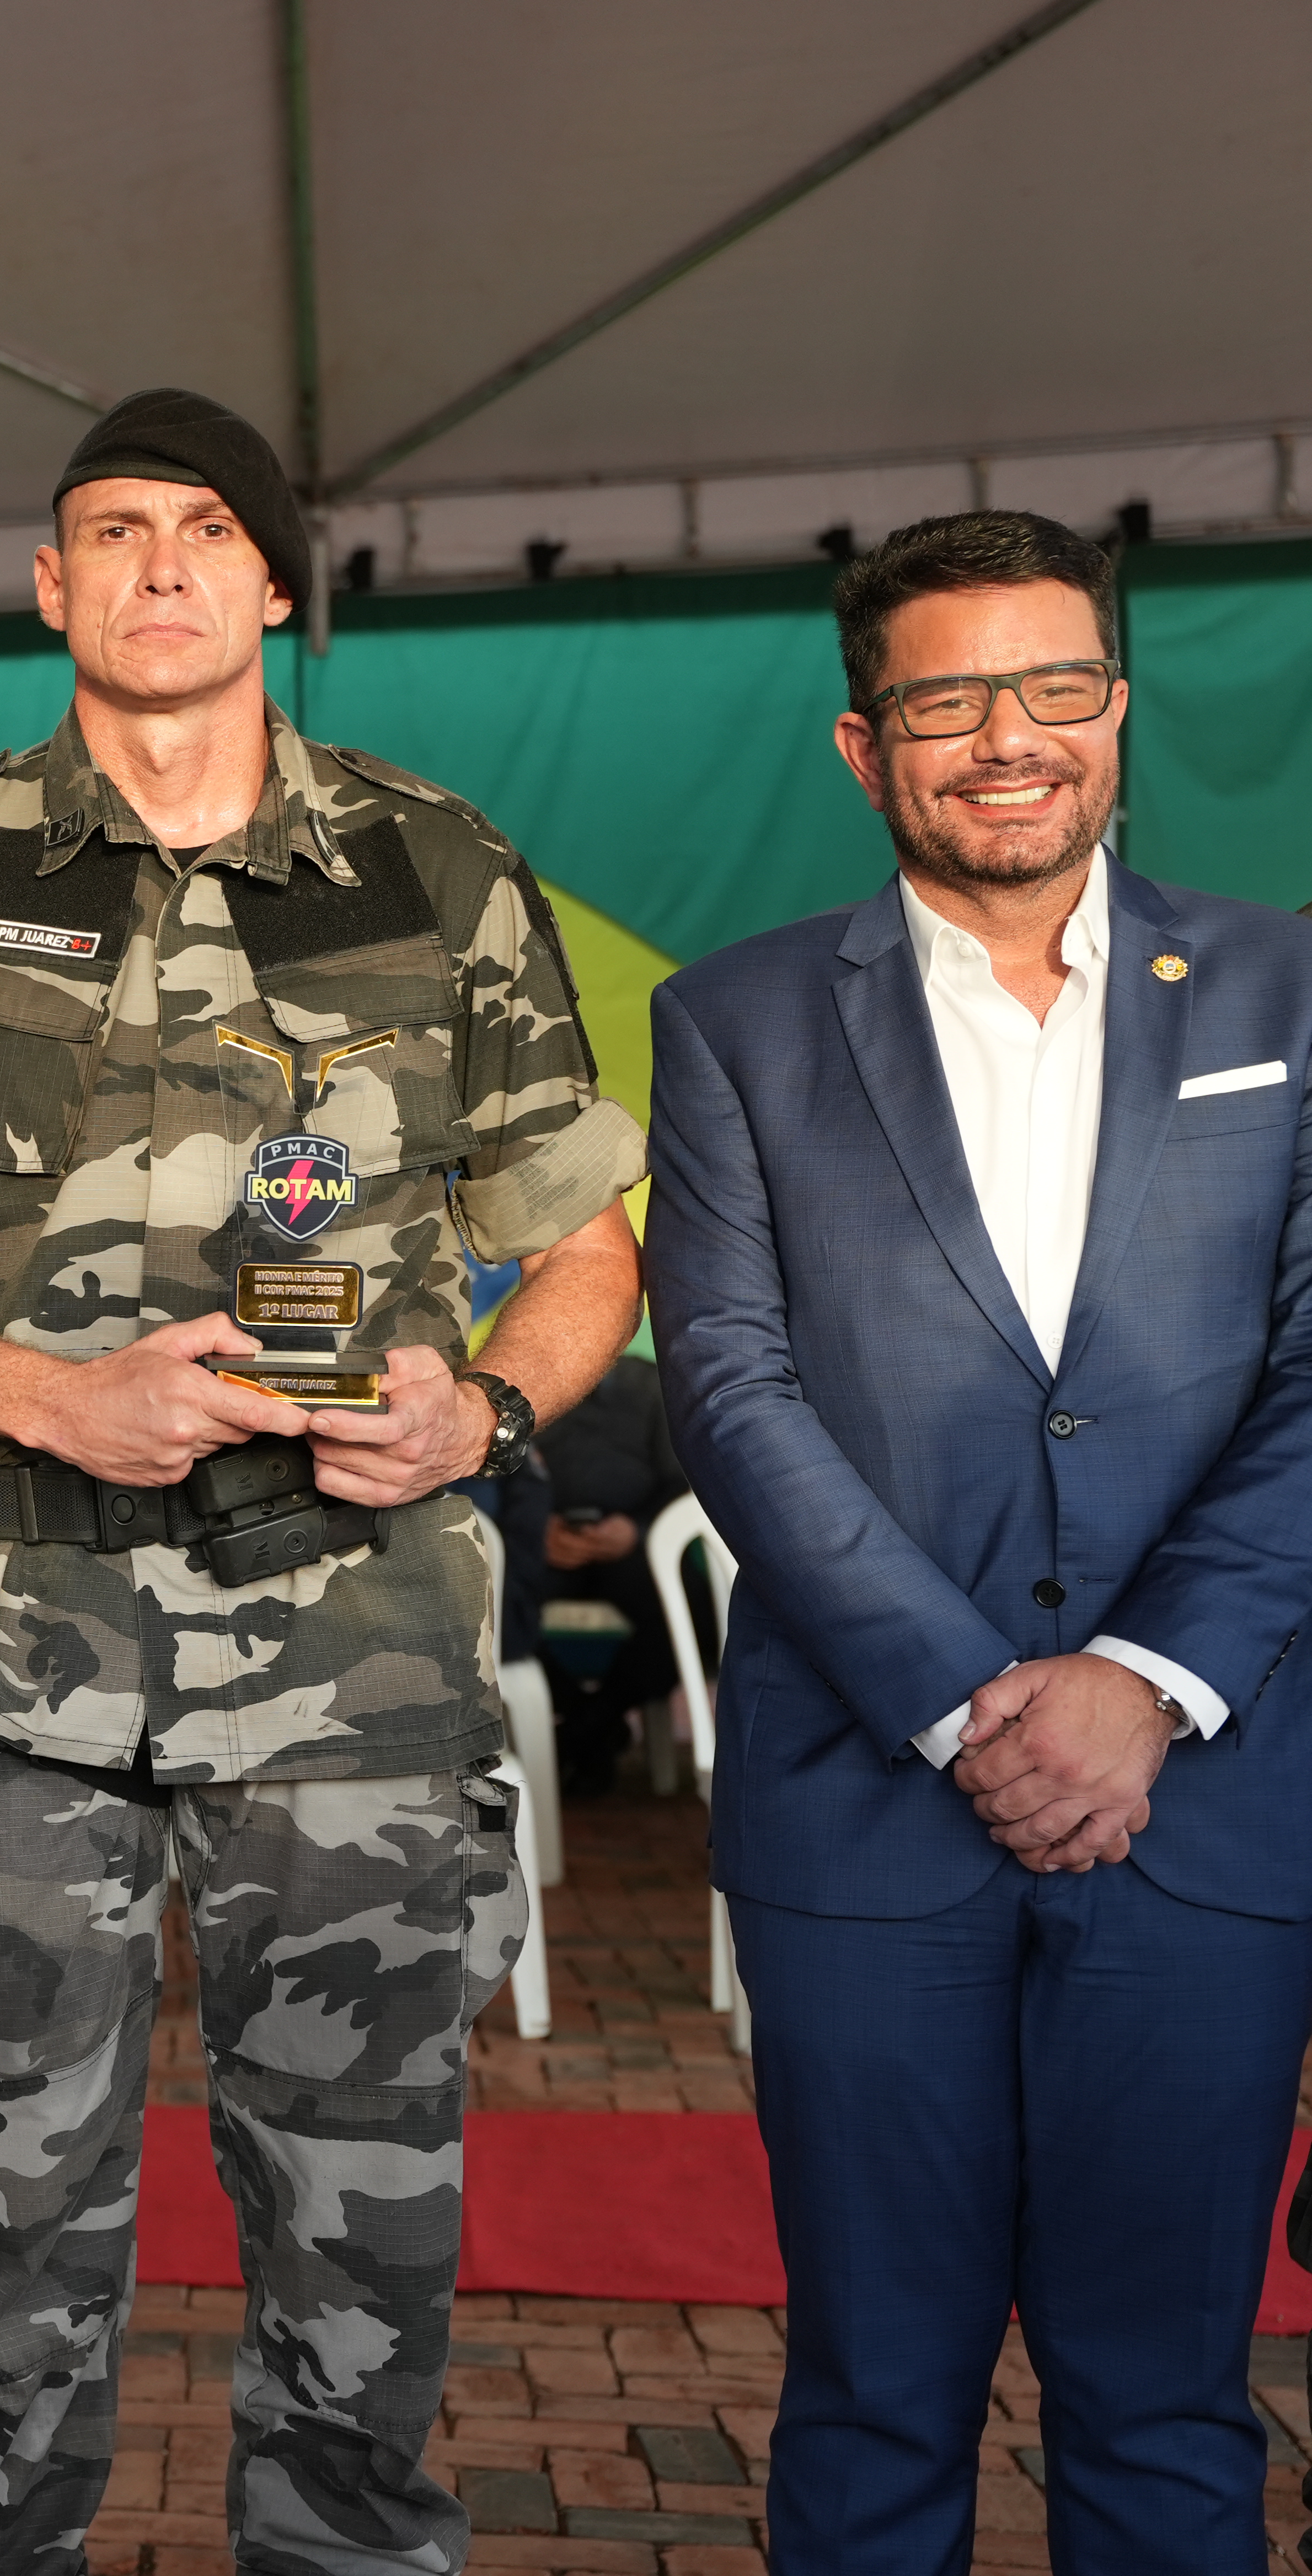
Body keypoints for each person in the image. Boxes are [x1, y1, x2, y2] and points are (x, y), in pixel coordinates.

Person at [0, 387, 649, 2574]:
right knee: (8, 2213)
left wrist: (485, 1413)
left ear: (269, 579)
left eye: (199, 527)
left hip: (354, 1671)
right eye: (106, 528)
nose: (150, 564)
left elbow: (580, 1240)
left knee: (362, 2206)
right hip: (13, 1670)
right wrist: (47, 1404)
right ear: (48, 582)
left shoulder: (437, 867)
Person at [647, 511, 1312, 2572]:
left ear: (1112, 713)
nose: (998, 740)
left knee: (1164, 2397)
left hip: (1204, 1804)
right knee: (868, 2392)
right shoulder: (733, 1018)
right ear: (864, 748)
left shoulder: (1285, 979)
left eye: (1047, 690)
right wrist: (963, 1704)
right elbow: (729, 1392)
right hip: (862, 1810)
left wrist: (1136, 1681)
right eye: (941, 701)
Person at [524, 1350, 692, 1794]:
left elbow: (684, 1484)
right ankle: (595, 1725)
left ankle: (582, 1729)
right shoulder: (520, 1385)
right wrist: (537, 1528)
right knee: (493, 1605)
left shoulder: (652, 1386)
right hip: (547, 1544)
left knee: (683, 1611)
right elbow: (495, 1478)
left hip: (636, 1547)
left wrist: (635, 1530)